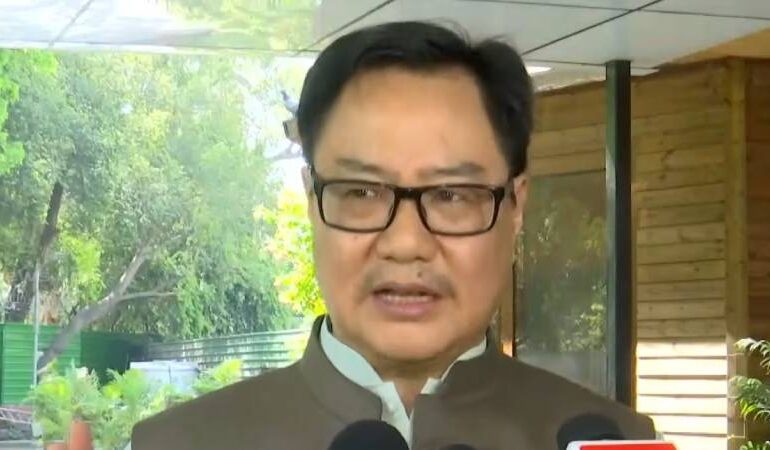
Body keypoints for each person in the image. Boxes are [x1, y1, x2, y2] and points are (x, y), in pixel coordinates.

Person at [130, 21, 655, 450]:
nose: (406, 244)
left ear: (516, 206)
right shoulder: (179, 443)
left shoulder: (612, 440)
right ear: (312, 200)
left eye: (451, 195)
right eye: (361, 192)